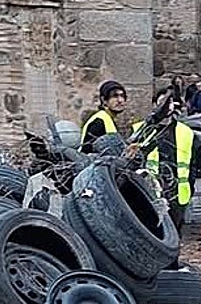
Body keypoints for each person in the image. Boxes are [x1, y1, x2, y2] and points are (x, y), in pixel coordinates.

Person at [138, 94, 195, 233]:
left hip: (177, 193)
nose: (167, 107)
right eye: (162, 102)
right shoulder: (143, 130)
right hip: (151, 192)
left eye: (170, 103)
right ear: (154, 105)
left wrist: (190, 186)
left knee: (174, 233)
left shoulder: (185, 131)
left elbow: (192, 162)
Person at [81, 80, 127, 153]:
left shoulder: (108, 119)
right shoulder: (98, 122)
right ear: (104, 100)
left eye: (122, 96)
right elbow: (89, 151)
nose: (120, 100)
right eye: (115, 96)